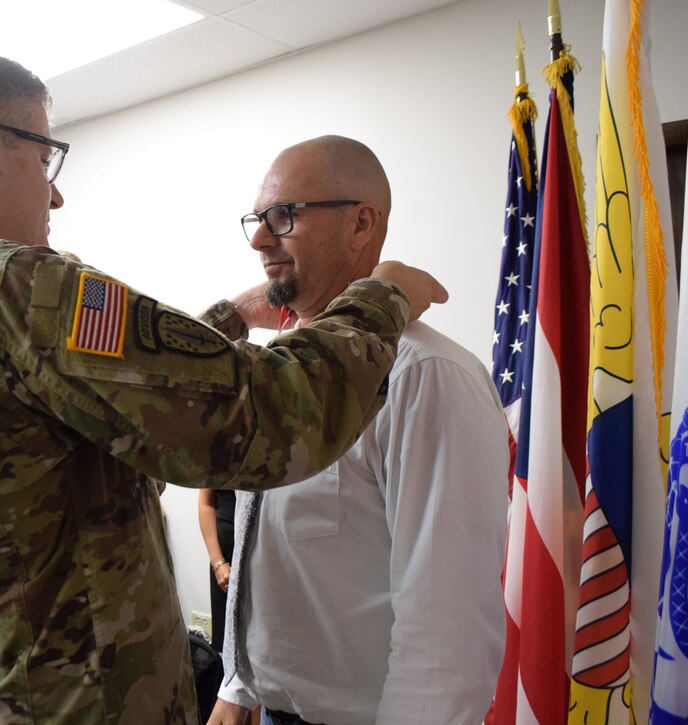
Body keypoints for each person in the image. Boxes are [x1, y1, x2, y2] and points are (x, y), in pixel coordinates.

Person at [0, 45, 446, 723]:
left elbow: (84, 414)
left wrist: (226, 319)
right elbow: (271, 417)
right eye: (45, 158)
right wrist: (382, 296)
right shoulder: (10, 286)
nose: (54, 190)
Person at [208, 137, 508, 725]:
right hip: (269, 708)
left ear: (361, 224)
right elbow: (260, 541)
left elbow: (447, 633)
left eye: (283, 216)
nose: (259, 239)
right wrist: (238, 683)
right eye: (256, 219)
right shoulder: (281, 373)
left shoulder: (425, 375)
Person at [197, 489, 235, 648]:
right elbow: (206, 502)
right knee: (228, 639)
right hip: (226, 560)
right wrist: (218, 562)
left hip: (268, 554)